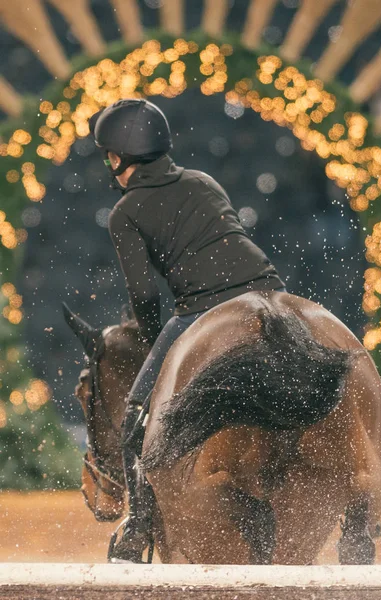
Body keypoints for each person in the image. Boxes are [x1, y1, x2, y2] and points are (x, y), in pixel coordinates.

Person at [89, 98, 286, 561]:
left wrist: (156, 340)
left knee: (136, 418)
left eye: (108, 156)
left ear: (119, 158)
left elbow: (144, 295)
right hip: (271, 292)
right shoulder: (202, 180)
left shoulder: (126, 212)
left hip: (204, 307)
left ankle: (138, 526)